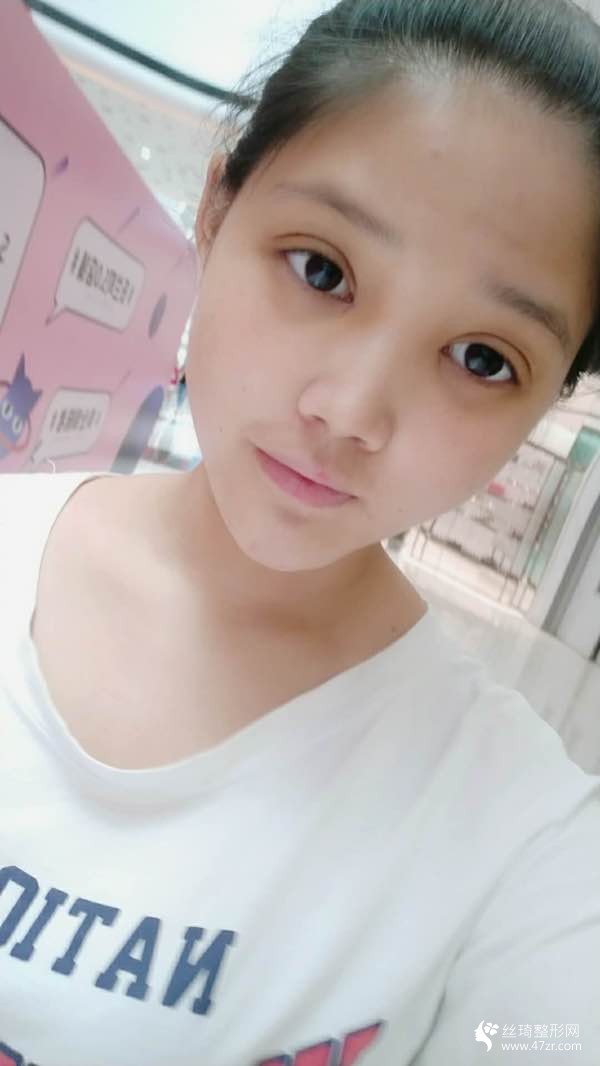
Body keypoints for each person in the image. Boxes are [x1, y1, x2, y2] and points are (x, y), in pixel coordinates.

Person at [1, 0, 600, 1062]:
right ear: (216, 209)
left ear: (548, 400)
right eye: (322, 270)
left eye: (482, 359)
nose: (351, 413)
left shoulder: (518, 834)